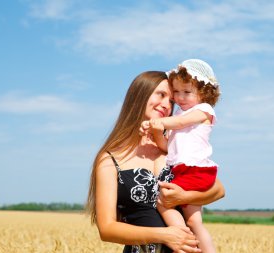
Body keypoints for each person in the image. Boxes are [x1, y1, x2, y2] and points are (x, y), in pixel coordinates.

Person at [86, 71, 225, 253]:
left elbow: (218, 190)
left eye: (171, 101)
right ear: (140, 95)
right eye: (161, 95)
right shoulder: (111, 157)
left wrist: (184, 197)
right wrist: (165, 235)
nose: (167, 104)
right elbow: (107, 229)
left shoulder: (175, 150)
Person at [140, 59, 221, 253]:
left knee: (162, 200)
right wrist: (157, 132)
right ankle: (189, 240)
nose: (180, 97)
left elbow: (180, 122)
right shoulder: (178, 116)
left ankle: (180, 238)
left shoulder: (204, 110)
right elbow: (167, 147)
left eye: (187, 92)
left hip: (195, 169)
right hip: (182, 170)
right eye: (176, 92)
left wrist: (156, 123)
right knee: (194, 220)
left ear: (203, 92)